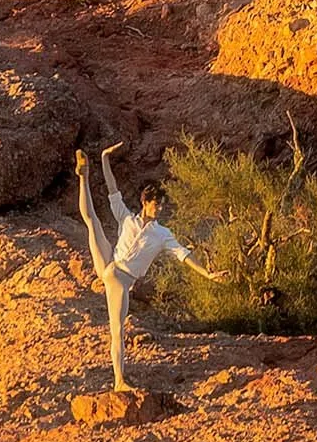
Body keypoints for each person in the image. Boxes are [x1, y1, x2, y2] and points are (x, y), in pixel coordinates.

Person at [75, 145, 223, 390]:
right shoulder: (129, 218)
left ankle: (83, 178)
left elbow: (184, 255)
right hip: (119, 277)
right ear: (145, 202)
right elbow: (113, 188)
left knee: (93, 222)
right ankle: (119, 382)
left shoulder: (161, 233)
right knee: (117, 331)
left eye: (162, 205)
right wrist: (104, 159)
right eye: (157, 204)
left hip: (111, 269)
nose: (160, 209)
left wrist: (207, 273)